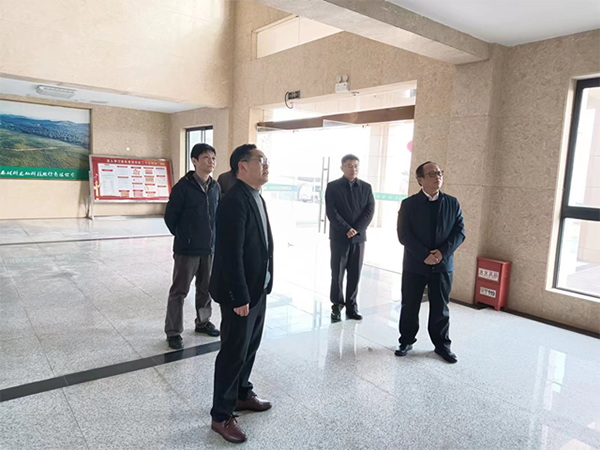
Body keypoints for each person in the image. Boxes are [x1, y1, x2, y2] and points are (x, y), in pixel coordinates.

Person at [209, 144, 273, 444]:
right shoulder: (234, 200)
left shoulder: (256, 196)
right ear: (242, 166)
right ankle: (221, 415)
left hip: (257, 289)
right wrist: (239, 296)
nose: (266, 164)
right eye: (261, 160)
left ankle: (241, 394)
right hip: (241, 294)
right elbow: (229, 254)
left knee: (249, 347)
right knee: (233, 353)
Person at [395, 161, 465, 363]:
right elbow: (404, 234)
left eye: (439, 173)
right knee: (410, 304)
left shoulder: (452, 203)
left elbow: (459, 232)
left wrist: (442, 253)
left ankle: (442, 346)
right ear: (420, 180)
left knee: (440, 307)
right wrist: (424, 254)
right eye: (432, 174)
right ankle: (406, 340)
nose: (438, 177)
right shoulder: (409, 204)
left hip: (443, 265)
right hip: (415, 264)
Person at [163, 143, 221, 350]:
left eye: (213, 158)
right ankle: (173, 332)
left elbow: (217, 216)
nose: (211, 162)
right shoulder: (183, 187)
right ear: (194, 161)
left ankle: (203, 322)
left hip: (209, 249)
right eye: (206, 158)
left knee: (206, 289)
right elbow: (170, 217)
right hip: (187, 250)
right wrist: (184, 237)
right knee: (179, 291)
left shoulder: (215, 187)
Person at [325, 154, 375, 322]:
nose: (353, 169)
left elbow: (370, 210)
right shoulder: (333, 187)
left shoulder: (366, 187)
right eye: (349, 166)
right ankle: (337, 305)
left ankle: (352, 306)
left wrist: (356, 230)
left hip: (358, 238)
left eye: (355, 166)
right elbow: (331, 211)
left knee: (355, 273)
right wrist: (347, 229)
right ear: (342, 168)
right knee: (337, 273)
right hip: (339, 237)